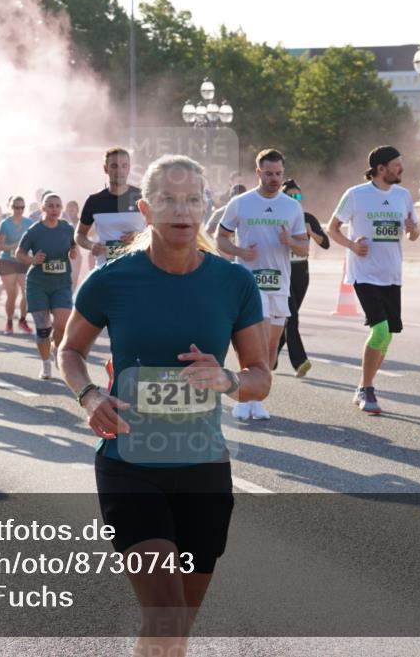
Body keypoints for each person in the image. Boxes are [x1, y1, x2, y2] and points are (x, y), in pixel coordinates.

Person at [60, 155, 271, 657]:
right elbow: (70, 351)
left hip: (203, 468)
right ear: (145, 209)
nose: (182, 210)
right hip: (131, 466)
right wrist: (89, 395)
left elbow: (260, 378)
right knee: (166, 616)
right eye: (168, 200)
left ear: (206, 206)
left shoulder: (233, 283)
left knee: (174, 634)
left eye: (193, 199)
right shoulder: (112, 279)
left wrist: (226, 379)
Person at [327, 145, 420, 415]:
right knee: (379, 331)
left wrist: (413, 230)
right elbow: (332, 228)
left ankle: (363, 385)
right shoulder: (356, 195)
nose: (401, 168)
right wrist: (352, 246)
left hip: (392, 274)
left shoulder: (403, 195)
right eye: (396, 164)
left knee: (387, 335)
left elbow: (413, 234)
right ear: (381, 168)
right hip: (364, 273)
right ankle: (367, 389)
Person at [217, 148, 308, 420]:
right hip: (250, 284)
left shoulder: (292, 207)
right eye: (269, 174)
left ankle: (256, 398)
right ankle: (244, 397)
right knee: (253, 344)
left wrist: (290, 241)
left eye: (278, 174)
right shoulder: (241, 203)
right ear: (258, 172)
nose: (274, 179)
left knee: (270, 347)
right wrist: (240, 252)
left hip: (279, 284)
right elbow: (220, 239)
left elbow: (304, 248)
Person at [15, 193, 78, 379]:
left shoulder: (67, 228)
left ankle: (55, 348)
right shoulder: (35, 230)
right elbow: (19, 253)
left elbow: (73, 246)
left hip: (61, 283)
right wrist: (32, 260)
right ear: (43, 208)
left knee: (62, 325)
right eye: (50, 206)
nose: (54, 209)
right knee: (43, 329)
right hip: (38, 284)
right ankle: (45, 364)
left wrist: (73, 252)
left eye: (58, 206)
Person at [276, 179, 330, 377]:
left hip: (301, 273)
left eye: (297, 195)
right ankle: (299, 361)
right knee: (292, 317)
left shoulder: (308, 218)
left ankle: (271, 356)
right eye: (290, 196)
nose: (294, 199)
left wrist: (311, 233)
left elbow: (325, 244)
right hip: (283, 271)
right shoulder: (276, 218)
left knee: (289, 317)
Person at [76, 147, 143, 269]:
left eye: (124, 166)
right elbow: (79, 234)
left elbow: (159, 232)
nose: (119, 171)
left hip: (136, 269)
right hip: (105, 270)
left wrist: (140, 236)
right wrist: (91, 245)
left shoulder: (142, 197)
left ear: (129, 168)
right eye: (114, 166)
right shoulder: (94, 201)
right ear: (105, 168)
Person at [0, 195, 33, 334]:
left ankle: (23, 320)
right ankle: (9, 322)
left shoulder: (29, 222)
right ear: (10, 207)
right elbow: (0, 245)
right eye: (16, 207)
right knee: (12, 295)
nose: (19, 210)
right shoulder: (5, 223)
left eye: (22, 207)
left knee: (26, 293)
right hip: (8, 261)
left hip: (23, 261)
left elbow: (34, 241)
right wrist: (13, 246)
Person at [64, 199, 86, 287]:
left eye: (73, 207)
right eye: (69, 207)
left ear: (77, 210)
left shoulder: (82, 223)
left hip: (76, 255)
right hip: (63, 255)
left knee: (74, 279)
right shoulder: (62, 223)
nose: (71, 209)